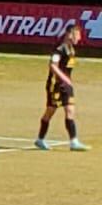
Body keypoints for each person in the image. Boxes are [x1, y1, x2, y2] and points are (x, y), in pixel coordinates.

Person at [38, 23, 86, 153]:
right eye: (78, 35)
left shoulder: (71, 49)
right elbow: (53, 65)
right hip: (56, 85)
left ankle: (74, 142)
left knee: (70, 110)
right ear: (70, 34)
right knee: (50, 111)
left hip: (67, 86)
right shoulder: (60, 49)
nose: (79, 38)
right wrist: (64, 78)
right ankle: (40, 139)